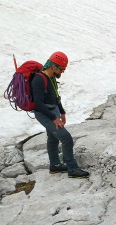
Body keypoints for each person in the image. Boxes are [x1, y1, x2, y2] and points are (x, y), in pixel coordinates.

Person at [32, 51, 89, 179]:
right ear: (53, 66)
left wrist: (62, 112)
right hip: (44, 113)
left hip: (54, 110)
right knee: (66, 138)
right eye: (61, 69)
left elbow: (56, 97)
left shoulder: (51, 77)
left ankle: (55, 165)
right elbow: (38, 104)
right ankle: (72, 168)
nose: (62, 72)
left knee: (53, 138)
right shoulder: (38, 80)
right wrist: (54, 119)